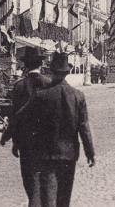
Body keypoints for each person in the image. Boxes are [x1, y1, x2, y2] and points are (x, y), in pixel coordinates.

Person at [23, 52, 95, 206]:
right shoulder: (78, 96)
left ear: (51, 71)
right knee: (64, 196)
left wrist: (18, 141)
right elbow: (84, 127)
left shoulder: (41, 95)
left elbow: (26, 120)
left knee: (48, 196)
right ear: (67, 73)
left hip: (46, 154)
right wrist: (90, 152)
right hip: (69, 154)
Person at [1, 47, 53, 204]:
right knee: (48, 183)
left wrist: (11, 140)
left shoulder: (19, 86)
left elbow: (16, 117)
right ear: (41, 64)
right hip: (47, 143)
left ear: (26, 66)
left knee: (31, 182)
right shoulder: (49, 84)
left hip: (26, 143)